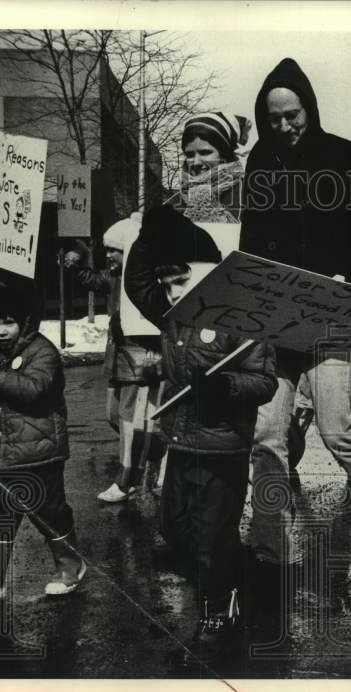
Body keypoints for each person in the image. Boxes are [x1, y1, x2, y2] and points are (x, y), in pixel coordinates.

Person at [239, 58, 351, 579]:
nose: (284, 127)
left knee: (337, 431)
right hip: (274, 319)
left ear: (309, 106)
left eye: (293, 115)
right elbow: (250, 243)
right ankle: (269, 548)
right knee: (267, 434)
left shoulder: (348, 158)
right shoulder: (260, 163)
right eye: (274, 119)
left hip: (328, 314)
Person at [124, 204, 278, 668]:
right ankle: (227, 570)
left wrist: (225, 386)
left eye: (181, 280)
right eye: (168, 282)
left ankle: (219, 607)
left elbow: (264, 382)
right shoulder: (172, 317)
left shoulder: (242, 322)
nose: (171, 291)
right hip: (182, 444)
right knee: (174, 528)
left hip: (223, 447)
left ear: (210, 275)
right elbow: (138, 284)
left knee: (212, 537)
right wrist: (152, 235)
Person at [0, 271, 85, 606]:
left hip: (40, 454)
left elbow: (32, 390)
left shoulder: (42, 352)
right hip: (0, 457)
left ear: (25, 320)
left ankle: (70, 564)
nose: (0, 330)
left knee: (49, 512)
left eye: (9, 322)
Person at [64, 216, 165, 502]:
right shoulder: (113, 277)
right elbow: (91, 279)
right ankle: (153, 455)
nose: (108, 256)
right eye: (107, 250)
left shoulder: (148, 279)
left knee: (131, 417)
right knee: (116, 415)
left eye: (114, 250)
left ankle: (128, 477)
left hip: (139, 352)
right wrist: (77, 263)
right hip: (117, 352)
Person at [178, 111, 252, 223]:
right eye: (190, 155)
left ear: (224, 153)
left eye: (205, 153)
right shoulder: (178, 200)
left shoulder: (250, 194)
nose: (196, 162)